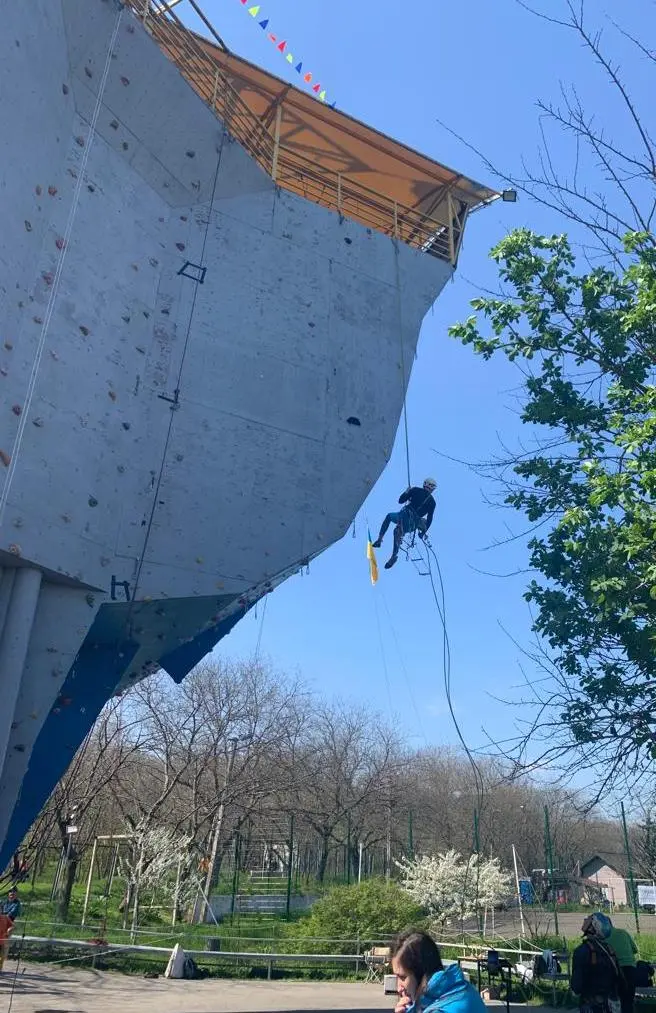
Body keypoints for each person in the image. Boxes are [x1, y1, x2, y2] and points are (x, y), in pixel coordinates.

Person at [392, 930, 486, 1013]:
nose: (398, 988)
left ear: (422, 972)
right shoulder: (462, 989)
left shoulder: (439, 1009)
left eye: (403, 977)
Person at [373, 479, 437, 570]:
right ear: (433, 489)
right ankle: (393, 556)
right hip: (412, 524)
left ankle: (380, 539)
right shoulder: (432, 502)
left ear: (424, 484)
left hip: (404, 516)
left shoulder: (415, 490)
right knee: (397, 532)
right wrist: (423, 532)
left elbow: (400, 500)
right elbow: (430, 519)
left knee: (389, 517)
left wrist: (406, 492)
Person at [571, 912, 621, 1013]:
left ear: (594, 926)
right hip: (610, 1002)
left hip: (590, 1003)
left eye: (588, 919)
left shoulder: (582, 951)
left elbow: (577, 985)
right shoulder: (610, 950)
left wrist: (575, 994)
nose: (585, 920)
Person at [607, 920, 639, 1013]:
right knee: (628, 1000)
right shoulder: (623, 932)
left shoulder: (603, 937)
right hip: (630, 969)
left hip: (614, 970)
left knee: (613, 1000)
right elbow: (635, 949)